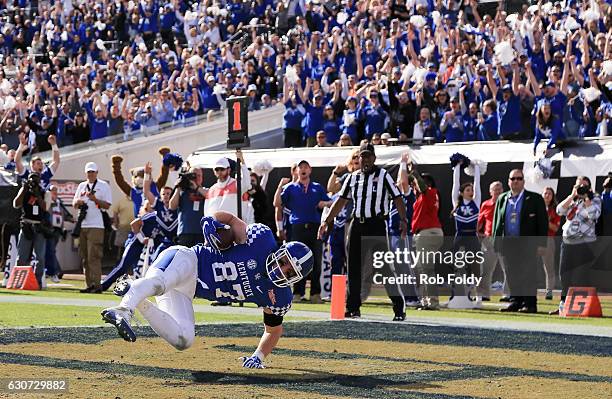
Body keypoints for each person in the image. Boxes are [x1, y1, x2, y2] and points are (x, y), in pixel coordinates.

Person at [101, 211, 313, 370]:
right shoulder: (261, 239)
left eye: (289, 270)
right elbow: (231, 220)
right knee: (159, 282)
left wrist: (259, 356)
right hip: (189, 260)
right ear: (281, 251)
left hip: (187, 291)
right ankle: (123, 309)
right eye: (284, 261)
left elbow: (273, 330)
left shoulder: (280, 297)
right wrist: (211, 220)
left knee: (183, 340)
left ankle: (137, 298)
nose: (282, 269)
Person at [319, 143, 407, 320]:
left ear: (374, 158)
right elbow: (340, 201)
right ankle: (353, 308)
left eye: (368, 156)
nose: (365, 160)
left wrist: (404, 220)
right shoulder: (352, 178)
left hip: (376, 225)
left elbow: (397, 197)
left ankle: (399, 307)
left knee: (383, 267)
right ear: (358, 158)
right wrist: (327, 221)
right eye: (362, 156)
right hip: (357, 224)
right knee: (353, 268)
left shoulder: (383, 175)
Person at [275, 160, 331, 303]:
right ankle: (297, 293)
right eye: (301, 167)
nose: (303, 169)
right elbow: (277, 204)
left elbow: (331, 202)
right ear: (297, 171)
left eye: (306, 167)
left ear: (310, 170)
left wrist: (323, 203)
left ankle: (315, 293)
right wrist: (280, 186)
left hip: (314, 226)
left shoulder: (317, 187)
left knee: (316, 260)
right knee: (296, 261)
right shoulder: (290, 188)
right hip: (297, 227)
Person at [493, 169, 548, 313]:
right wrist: (496, 241)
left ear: (523, 181)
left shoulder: (535, 198)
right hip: (508, 242)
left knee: (528, 273)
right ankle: (515, 301)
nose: (515, 181)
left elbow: (543, 223)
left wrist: (542, 244)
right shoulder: (502, 198)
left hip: (527, 243)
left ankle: (530, 304)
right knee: (511, 273)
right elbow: (497, 222)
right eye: (513, 179)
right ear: (508, 181)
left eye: (519, 178)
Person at [552, 176, 602, 315]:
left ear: (590, 187)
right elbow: (559, 210)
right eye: (579, 186)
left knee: (581, 276)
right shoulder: (572, 200)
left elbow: (593, 214)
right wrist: (572, 195)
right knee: (564, 275)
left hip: (585, 243)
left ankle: (580, 306)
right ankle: (564, 305)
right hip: (568, 242)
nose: (581, 188)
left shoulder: (595, 199)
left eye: (584, 186)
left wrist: (587, 197)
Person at [100, 200, 168, 292]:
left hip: (147, 247)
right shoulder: (152, 215)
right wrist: (142, 238)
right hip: (135, 242)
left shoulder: (166, 217)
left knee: (141, 268)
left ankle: (139, 288)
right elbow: (134, 224)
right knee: (123, 266)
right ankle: (103, 285)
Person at [407, 159, 443, 310]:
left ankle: (432, 302)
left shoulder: (429, 193)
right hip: (427, 233)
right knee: (422, 269)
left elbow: (422, 187)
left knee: (426, 269)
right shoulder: (423, 197)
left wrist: (414, 173)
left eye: (415, 183)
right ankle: (426, 301)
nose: (413, 186)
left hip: (428, 232)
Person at [72, 162, 113, 293]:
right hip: (83, 224)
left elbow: (107, 205)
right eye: (88, 172)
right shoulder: (82, 185)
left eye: (93, 172)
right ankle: (89, 284)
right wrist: (78, 202)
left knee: (93, 256)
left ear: (97, 172)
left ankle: (97, 285)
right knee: (84, 256)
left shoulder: (103, 185)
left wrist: (95, 199)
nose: (90, 174)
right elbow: (74, 203)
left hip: (96, 225)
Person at [12, 168, 51, 287]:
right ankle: (18, 282)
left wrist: (38, 193)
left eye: (36, 179)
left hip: (39, 226)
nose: (33, 182)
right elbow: (16, 204)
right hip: (26, 225)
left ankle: (37, 282)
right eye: (31, 179)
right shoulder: (24, 191)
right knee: (22, 256)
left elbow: (45, 208)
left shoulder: (45, 192)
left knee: (40, 257)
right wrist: (24, 189)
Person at [450, 159, 481, 301]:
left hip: (472, 237)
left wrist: (477, 169)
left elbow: (477, 184)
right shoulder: (456, 203)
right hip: (460, 236)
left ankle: (475, 293)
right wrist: (457, 166)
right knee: (457, 265)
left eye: (472, 190)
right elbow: (455, 184)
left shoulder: (476, 202)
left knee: (473, 266)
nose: (471, 192)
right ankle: (455, 292)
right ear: (462, 193)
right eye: (468, 190)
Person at [476, 181, 508, 301]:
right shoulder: (485, 204)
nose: (498, 191)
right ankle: (484, 294)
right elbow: (479, 222)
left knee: (507, 268)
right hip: (488, 240)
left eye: (500, 189)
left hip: (504, 238)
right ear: (490, 192)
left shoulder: (507, 203)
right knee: (485, 269)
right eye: (496, 189)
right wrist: (480, 234)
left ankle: (507, 294)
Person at [204, 151, 253, 224]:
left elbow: (247, 184)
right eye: (217, 169)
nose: (219, 172)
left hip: (234, 227)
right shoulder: (212, 189)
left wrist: (242, 161)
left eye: (222, 169)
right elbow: (207, 212)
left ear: (229, 170)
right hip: (218, 229)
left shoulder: (236, 184)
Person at [169, 166, 207, 247]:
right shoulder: (182, 191)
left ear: (202, 178)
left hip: (201, 232)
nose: (196, 177)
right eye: (193, 175)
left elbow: (210, 196)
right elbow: (172, 206)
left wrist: (196, 187)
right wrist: (178, 187)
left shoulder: (205, 191)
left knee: (199, 257)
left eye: (199, 175)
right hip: (185, 232)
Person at [45, 185, 73, 283]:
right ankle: (55, 271)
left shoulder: (58, 202)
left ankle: (53, 271)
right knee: (50, 250)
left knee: (51, 251)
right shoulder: (47, 201)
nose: (55, 192)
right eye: (53, 190)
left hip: (57, 230)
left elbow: (63, 214)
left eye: (56, 191)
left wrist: (70, 219)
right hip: (49, 229)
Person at [539, 187, 561, 301]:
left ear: (553, 196)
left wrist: (544, 221)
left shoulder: (555, 209)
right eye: (545, 193)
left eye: (549, 194)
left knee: (549, 267)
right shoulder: (536, 207)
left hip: (548, 239)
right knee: (528, 265)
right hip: (535, 240)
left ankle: (549, 291)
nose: (547, 195)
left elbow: (555, 227)